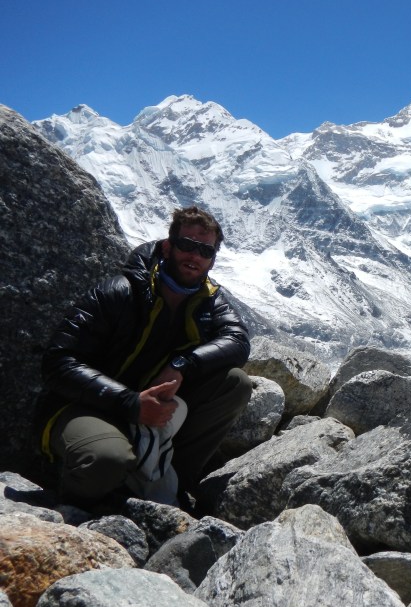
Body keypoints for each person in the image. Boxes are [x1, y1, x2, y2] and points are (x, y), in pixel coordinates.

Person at [35, 206, 252, 510]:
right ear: (168, 246)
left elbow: (238, 341)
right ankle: (80, 505)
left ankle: (173, 484)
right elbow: (57, 363)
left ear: (213, 257)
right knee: (107, 460)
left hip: (150, 408)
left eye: (204, 250)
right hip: (89, 405)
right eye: (186, 245)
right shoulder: (119, 293)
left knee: (235, 384)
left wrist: (182, 365)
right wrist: (129, 403)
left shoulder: (208, 300)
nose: (194, 256)